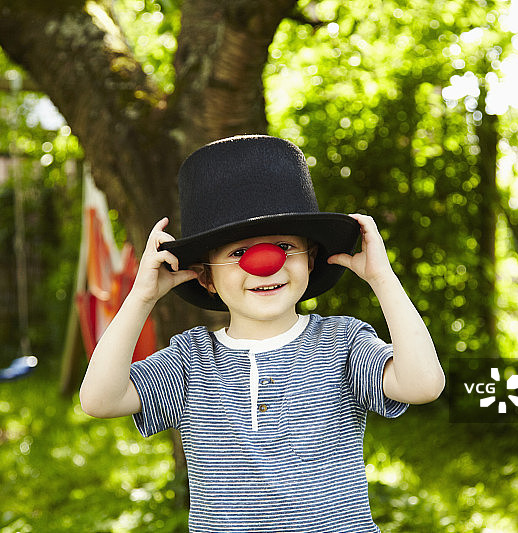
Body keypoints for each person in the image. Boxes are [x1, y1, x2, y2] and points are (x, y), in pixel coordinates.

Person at [79, 135, 444, 532]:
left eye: (284, 246)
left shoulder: (343, 343)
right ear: (206, 276)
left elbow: (422, 384)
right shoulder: (189, 360)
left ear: (312, 258)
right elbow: (100, 399)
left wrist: (382, 279)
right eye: (238, 253)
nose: (265, 264)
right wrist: (141, 297)